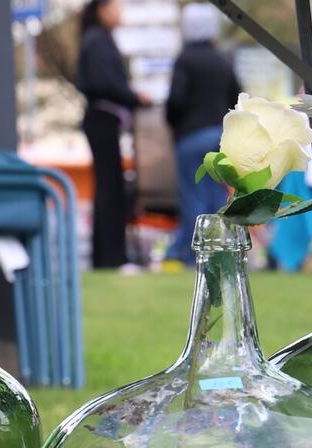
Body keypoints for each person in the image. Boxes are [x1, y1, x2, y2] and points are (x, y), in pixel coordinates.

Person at [164, 2, 240, 265]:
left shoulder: (185, 60)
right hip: (219, 136)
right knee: (217, 196)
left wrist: (174, 125)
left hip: (190, 137)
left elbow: (175, 100)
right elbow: (237, 98)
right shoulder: (223, 59)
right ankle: (220, 252)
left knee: (192, 197)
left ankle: (192, 256)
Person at [77, 0, 150, 270]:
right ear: (101, 9)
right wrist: (134, 97)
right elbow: (104, 83)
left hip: (104, 120)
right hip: (103, 120)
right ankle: (111, 256)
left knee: (110, 187)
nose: (120, 13)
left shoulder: (96, 39)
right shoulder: (97, 40)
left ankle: (108, 256)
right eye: (115, 7)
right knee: (110, 189)